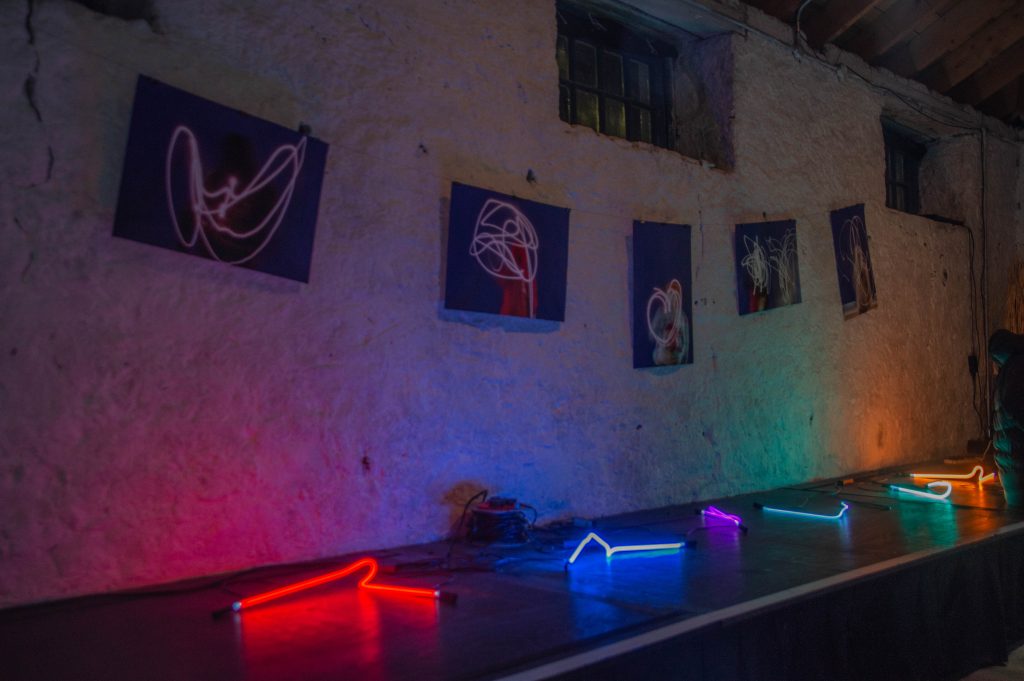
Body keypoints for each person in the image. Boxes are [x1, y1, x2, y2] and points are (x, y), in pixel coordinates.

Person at [990, 329, 1024, 507]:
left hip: (1011, 465)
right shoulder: (1018, 367)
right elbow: (1016, 408)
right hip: (1018, 463)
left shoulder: (1009, 369)